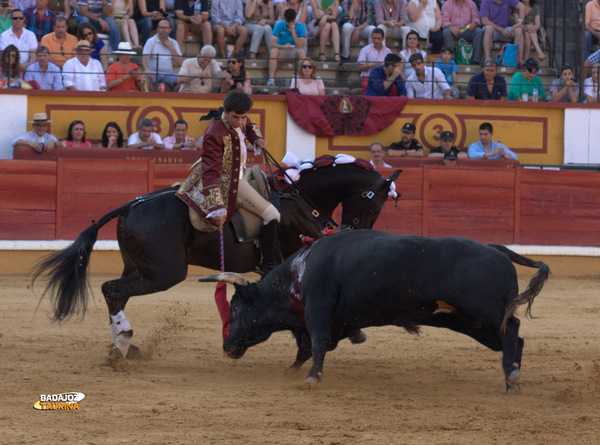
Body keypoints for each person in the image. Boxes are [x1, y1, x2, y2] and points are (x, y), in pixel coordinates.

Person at [175, 90, 279, 276]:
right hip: (229, 182)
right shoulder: (214, 132)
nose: (239, 121)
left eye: (242, 117)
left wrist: (257, 138)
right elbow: (210, 171)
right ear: (226, 111)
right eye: (235, 117)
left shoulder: (238, 117)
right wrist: (217, 204)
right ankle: (268, 265)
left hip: (240, 174)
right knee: (272, 214)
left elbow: (249, 125)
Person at [267, 8, 306, 87]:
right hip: (282, 50)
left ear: (295, 19)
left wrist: (293, 33)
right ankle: (271, 79)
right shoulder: (279, 25)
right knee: (273, 51)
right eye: (289, 22)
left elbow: (301, 45)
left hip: (294, 51)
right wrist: (283, 47)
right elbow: (272, 44)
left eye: (292, 21)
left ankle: (301, 79)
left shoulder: (301, 27)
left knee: (302, 52)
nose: (291, 23)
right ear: (285, 19)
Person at [141, 19, 182, 90]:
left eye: (166, 28)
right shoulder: (150, 41)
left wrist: (172, 49)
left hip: (168, 74)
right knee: (145, 80)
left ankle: (173, 98)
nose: (163, 30)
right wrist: (147, 70)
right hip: (153, 73)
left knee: (183, 79)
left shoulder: (174, 43)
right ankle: (150, 98)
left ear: (170, 30)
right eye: (161, 28)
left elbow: (180, 63)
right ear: (157, 29)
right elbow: (145, 58)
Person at [441, 0, 483, 66]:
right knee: (446, 32)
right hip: (454, 31)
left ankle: (476, 60)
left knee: (478, 31)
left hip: (468, 30)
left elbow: (476, 19)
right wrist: (451, 28)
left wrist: (474, 24)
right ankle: (452, 59)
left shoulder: (471, 4)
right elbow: (444, 22)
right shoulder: (447, 4)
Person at [356, 28, 391, 92]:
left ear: (383, 38)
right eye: (374, 38)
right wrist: (371, 65)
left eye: (378, 39)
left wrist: (383, 66)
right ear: (371, 37)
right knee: (368, 85)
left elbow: (392, 68)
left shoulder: (388, 51)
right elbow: (359, 68)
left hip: (383, 77)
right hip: (369, 77)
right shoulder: (365, 50)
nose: (376, 41)